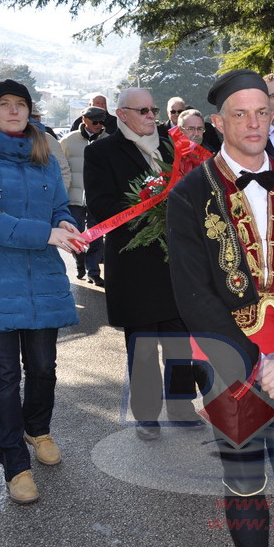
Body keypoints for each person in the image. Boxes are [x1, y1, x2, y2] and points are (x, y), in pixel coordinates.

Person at [167, 69, 274, 547]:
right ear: (219, 123)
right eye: (241, 114)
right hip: (228, 365)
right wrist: (260, 364)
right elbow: (193, 294)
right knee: (244, 488)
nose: (255, 123)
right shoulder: (189, 194)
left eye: (262, 112)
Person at [0, 79, 86, 504]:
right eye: (4, 104)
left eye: (20, 104)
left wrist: (63, 223)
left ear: (29, 110)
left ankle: (37, 429)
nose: (13, 111)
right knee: (5, 376)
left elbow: (58, 205)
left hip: (43, 279)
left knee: (43, 367)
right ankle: (15, 465)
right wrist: (43, 234)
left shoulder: (43, 153)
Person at [84, 87, 204, 441]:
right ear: (122, 114)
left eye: (153, 110)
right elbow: (101, 207)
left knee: (180, 342)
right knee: (143, 347)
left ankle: (181, 407)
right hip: (134, 265)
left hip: (177, 263)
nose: (152, 116)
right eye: (143, 111)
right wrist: (151, 209)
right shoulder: (102, 151)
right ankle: (147, 416)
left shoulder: (172, 144)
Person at [60, 106, 108, 285]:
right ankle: (80, 262)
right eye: (95, 122)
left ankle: (93, 271)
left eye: (101, 122)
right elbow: (60, 168)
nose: (99, 125)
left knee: (96, 236)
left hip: (97, 198)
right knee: (76, 234)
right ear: (84, 121)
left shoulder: (108, 140)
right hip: (73, 198)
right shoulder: (68, 141)